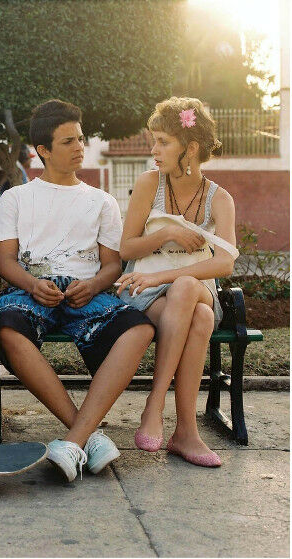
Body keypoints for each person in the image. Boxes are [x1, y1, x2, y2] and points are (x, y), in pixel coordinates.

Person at [0, 99, 155, 482]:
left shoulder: (101, 201)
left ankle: (73, 441)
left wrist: (95, 284)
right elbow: (5, 261)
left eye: (80, 139)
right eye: (68, 141)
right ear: (43, 150)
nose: (80, 147)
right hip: (32, 289)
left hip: (87, 292)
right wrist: (32, 284)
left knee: (140, 328)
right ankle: (88, 436)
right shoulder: (16, 197)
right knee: (6, 328)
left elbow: (112, 264)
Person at [116, 97, 237, 467]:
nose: (154, 150)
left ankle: (154, 404)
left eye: (163, 142)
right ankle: (186, 432)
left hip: (191, 287)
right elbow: (126, 247)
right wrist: (166, 233)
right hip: (148, 293)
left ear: (191, 147)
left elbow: (225, 262)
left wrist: (162, 275)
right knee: (200, 318)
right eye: (154, 141)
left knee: (185, 288)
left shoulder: (220, 198)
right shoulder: (149, 184)